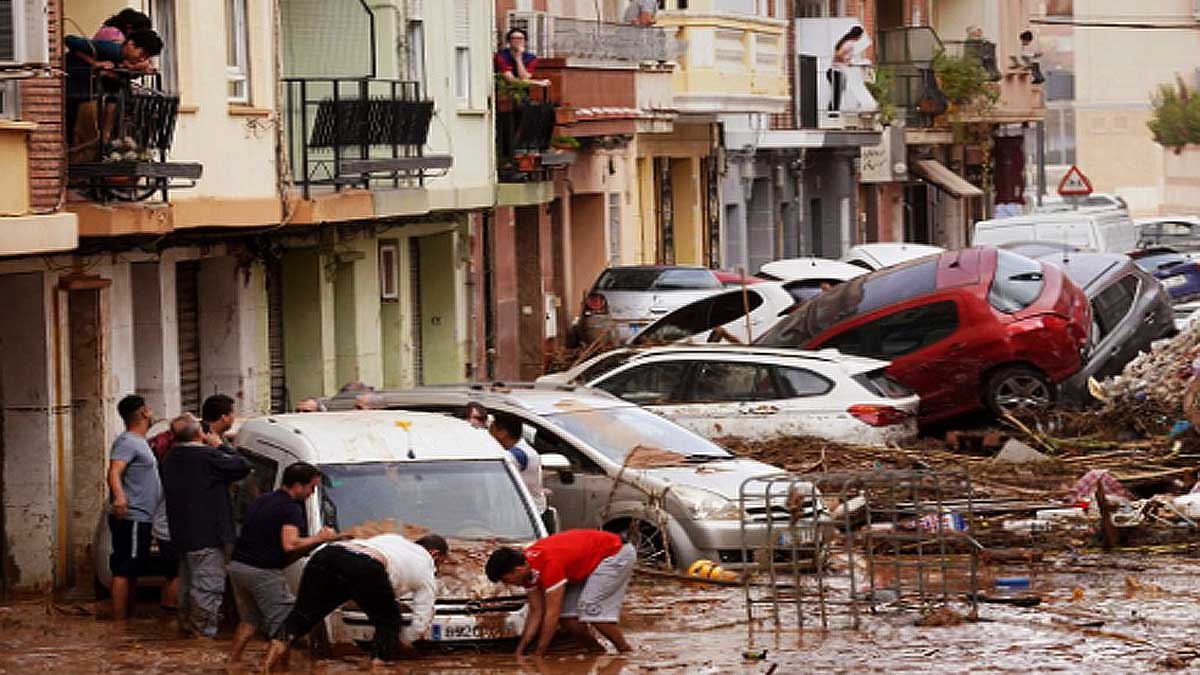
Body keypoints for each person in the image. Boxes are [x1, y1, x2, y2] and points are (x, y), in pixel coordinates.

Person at [263, 533, 449, 670]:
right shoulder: (426, 568)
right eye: (440, 561)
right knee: (389, 623)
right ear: (434, 554)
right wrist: (402, 641)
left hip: (326, 554)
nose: (438, 567)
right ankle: (377, 667)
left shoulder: (395, 539)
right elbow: (422, 618)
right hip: (365, 566)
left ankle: (266, 667)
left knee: (302, 616)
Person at [227, 462, 338, 664]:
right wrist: (320, 538)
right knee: (286, 624)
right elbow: (290, 544)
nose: (312, 493)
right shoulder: (291, 508)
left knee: (250, 619)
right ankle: (275, 669)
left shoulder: (263, 500)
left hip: (238, 567)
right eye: (311, 487)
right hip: (262, 572)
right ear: (298, 486)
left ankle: (231, 663)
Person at [161, 412, 251, 637]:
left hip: (181, 533)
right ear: (200, 432)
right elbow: (243, 466)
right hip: (208, 534)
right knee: (207, 587)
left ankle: (187, 628)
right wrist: (220, 445)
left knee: (188, 583)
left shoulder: (170, 457)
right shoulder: (207, 456)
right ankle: (203, 635)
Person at [486, 529, 635, 656]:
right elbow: (536, 612)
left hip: (616, 552)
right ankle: (597, 652)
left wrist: (539, 654)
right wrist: (520, 651)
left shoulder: (549, 565)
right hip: (588, 562)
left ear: (517, 570)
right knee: (567, 618)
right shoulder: (526, 570)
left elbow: (552, 614)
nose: (508, 584)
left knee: (591, 610)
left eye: (506, 580)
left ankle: (625, 652)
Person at [106, 394, 162, 621]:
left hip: (142, 516)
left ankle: (127, 618)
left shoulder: (139, 441)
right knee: (126, 568)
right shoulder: (128, 441)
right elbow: (114, 471)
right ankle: (120, 623)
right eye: (149, 408)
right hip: (134, 515)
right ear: (143, 412)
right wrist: (120, 498)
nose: (151, 412)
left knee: (133, 568)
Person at [149, 413, 197, 614]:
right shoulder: (183, 463)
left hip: (163, 527)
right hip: (172, 529)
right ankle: (172, 614)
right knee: (177, 574)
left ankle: (167, 614)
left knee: (171, 575)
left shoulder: (165, 457)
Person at [489, 412, 546, 512]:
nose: (489, 433)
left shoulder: (516, 455)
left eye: (491, 428)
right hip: (526, 510)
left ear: (502, 433)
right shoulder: (523, 448)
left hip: (526, 513)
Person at [829, 26, 864, 112]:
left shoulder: (846, 42)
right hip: (837, 71)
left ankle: (833, 112)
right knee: (837, 94)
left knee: (837, 93)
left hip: (836, 71)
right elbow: (838, 55)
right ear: (858, 36)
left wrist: (848, 62)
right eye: (861, 35)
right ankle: (833, 113)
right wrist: (846, 62)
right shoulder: (849, 44)